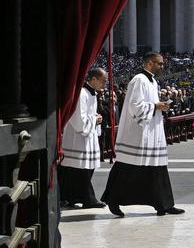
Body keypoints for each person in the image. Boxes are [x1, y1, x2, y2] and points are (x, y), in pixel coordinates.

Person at [101, 52, 184, 217]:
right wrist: (156, 106)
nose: (162, 66)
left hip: (152, 131)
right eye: (159, 63)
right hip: (138, 133)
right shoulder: (139, 79)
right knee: (127, 167)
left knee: (158, 168)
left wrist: (160, 106)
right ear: (150, 63)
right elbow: (135, 106)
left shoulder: (152, 81)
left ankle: (164, 204)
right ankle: (113, 199)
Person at [59, 67, 107, 208]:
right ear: (93, 79)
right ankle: (88, 199)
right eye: (103, 81)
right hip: (77, 139)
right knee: (81, 171)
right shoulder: (81, 93)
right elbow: (78, 119)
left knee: (82, 170)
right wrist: (95, 119)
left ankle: (73, 198)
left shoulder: (92, 93)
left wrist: (94, 119)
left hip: (87, 137)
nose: (104, 84)